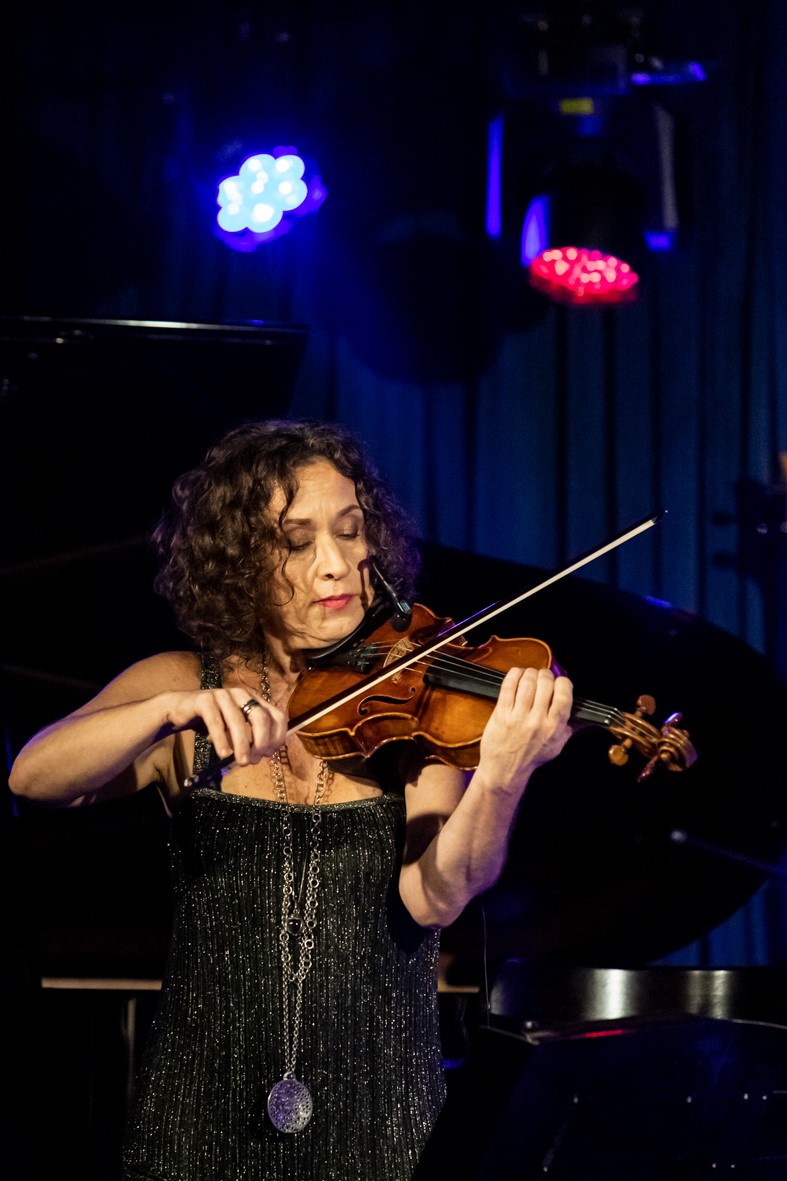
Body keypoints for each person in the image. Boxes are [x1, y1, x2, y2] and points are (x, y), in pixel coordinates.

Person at [8, 418, 574, 1181]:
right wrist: (163, 712)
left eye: (350, 530)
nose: (336, 564)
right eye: (297, 542)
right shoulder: (185, 683)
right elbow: (33, 778)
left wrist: (502, 775)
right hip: (201, 1103)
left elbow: (435, 896)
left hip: (383, 1105)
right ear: (239, 560)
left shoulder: (413, 697)